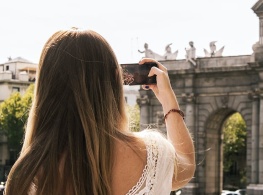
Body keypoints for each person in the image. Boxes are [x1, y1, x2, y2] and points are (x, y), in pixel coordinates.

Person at [5, 28, 195, 195]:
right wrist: (168, 101)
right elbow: (186, 165)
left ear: (45, 87)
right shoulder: (150, 155)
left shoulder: (22, 178)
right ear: (114, 80)